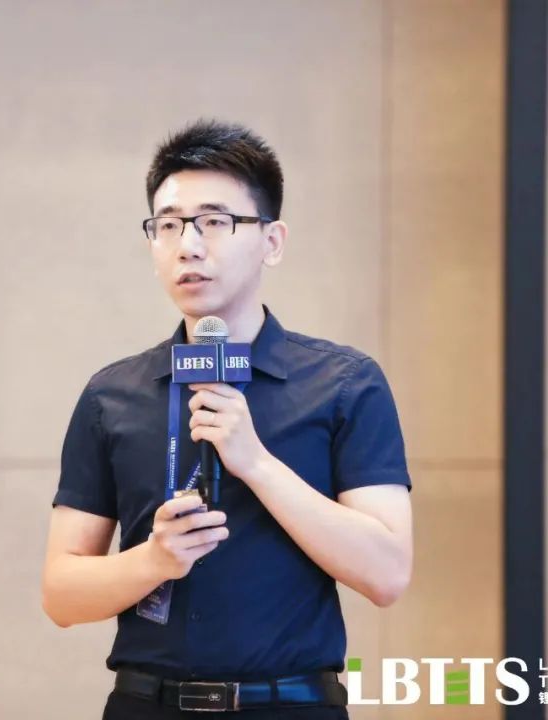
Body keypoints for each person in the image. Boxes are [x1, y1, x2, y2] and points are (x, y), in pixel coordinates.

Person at [42, 119, 413, 718]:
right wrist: (153, 560)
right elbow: (61, 594)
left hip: (291, 704)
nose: (188, 245)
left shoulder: (344, 384)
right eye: (168, 225)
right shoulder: (112, 395)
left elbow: (387, 574)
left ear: (272, 241)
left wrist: (257, 464)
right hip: (147, 704)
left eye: (214, 222)